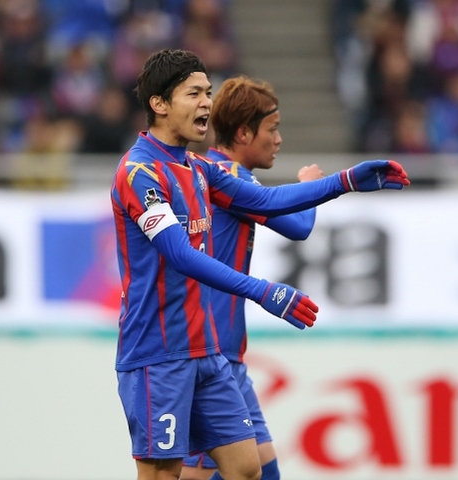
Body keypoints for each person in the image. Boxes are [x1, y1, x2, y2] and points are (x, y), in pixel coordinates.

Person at [110, 48, 409, 480]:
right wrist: (264, 291)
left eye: (208, 93)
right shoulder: (140, 173)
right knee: (165, 474)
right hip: (159, 353)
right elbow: (179, 254)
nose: (206, 103)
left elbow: (266, 200)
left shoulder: (197, 168)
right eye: (193, 94)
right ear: (159, 104)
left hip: (207, 350)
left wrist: (345, 181)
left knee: (247, 469)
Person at [180, 75, 322, 480]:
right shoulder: (229, 178)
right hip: (208, 355)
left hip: (228, 357)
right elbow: (298, 226)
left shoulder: (216, 172)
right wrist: (310, 187)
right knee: (197, 474)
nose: (278, 140)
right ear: (243, 133)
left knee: (261, 469)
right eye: (272, 129)